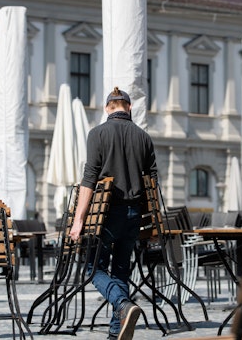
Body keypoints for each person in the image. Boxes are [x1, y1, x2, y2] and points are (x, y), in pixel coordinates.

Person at [69, 87, 158, 340]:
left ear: (108, 107)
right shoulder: (144, 137)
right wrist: (152, 224)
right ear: (129, 107)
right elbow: (152, 184)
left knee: (92, 268)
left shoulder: (97, 134)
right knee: (121, 271)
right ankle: (115, 331)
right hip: (134, 214)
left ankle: (121, 304)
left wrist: (78, 221)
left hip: (105, 216)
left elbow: (89, 180)